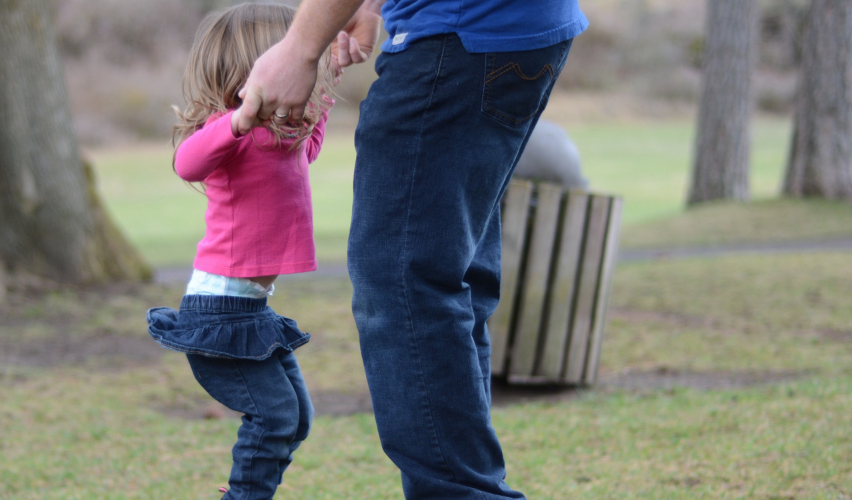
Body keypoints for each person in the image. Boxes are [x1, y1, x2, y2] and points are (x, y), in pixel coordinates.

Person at [234, 0, 588, 498]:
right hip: (511, 31)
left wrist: (299, 48)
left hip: (458, 35)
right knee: (448, 278)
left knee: (402, 282)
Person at [144, 4, 337, 499]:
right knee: (275, 419)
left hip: (250, 309)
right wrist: (239, 119)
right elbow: (187, 164)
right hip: (219, 311)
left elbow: (309, 148)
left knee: (296, 419)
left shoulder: (281, 138)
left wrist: (325, 86)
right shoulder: (229, 132)